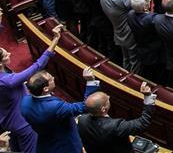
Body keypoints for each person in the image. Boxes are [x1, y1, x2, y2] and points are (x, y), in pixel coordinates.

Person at [0, 23, 63, 153]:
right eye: (6, 55)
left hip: (7, 119)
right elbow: (37, 66)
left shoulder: (4, 76)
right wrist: (55, 39)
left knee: (17, 148)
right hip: (22, 122)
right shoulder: (7, 81)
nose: (10, 53)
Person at [21, 66, 99, 153]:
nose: (53, 78)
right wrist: (91, 82)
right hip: (65, 145)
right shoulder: (55, 107)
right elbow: (85, 106)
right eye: (51, 79)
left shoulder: (25, 101)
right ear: (45, 89)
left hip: (45, 143)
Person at [77, 81, 155, 153]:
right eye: (107, 99)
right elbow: (143, 122)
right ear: (103, 109)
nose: (109, 97)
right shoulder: (115, 126)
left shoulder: (81, 120)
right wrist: (148, 97)